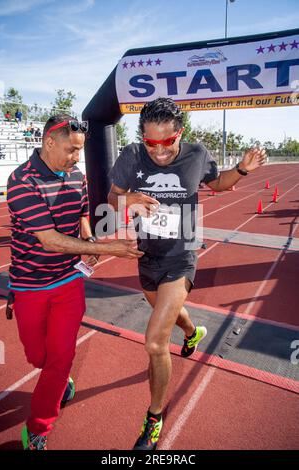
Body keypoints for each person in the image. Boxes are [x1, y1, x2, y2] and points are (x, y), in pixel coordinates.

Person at [108, 97, 266, 450]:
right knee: (170, 315)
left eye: (168, 141)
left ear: (181, 133)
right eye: (152, 142)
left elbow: (218, 184)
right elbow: (110, 198)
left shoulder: (196, 154)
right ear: (142, 137)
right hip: (146, 255)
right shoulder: (131, 157)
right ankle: (193, 334)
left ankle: (153, 417)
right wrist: (127, 200)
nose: (160, 151)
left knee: (153, 341)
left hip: (182, 256)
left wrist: (242, 169)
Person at [7, 114, 143, 450]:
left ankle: (38, 427)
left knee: (60, 356)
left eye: (79, 151)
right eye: (70, 150)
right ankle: (58, 376)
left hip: (68, 281)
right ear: (49, 142)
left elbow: (81, 215)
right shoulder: (21, 181)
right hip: (29, 285)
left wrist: (88, 240)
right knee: (38, 356)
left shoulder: (77, 175)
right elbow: (49, 240)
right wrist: (104, 247)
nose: (76, 159)